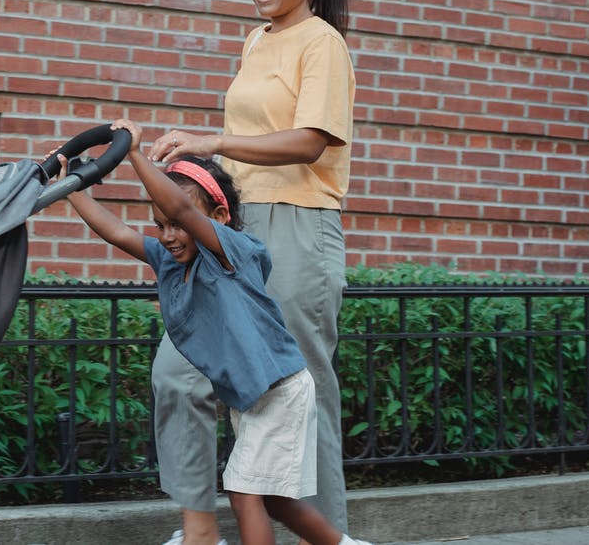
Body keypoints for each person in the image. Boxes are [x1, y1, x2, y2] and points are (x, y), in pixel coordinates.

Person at [53, 120, 370, 545]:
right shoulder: (170, 261)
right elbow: (118, 232)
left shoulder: (233, 253)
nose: (168, 236)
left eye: (177, 224)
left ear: (220, 217)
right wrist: (73, 187)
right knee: (275, 501)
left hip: (280, 392)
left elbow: (184, 211)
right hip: (254, 398)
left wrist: (133, 155)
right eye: (160, 225)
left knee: (243, 492)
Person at [144, 0, 356, 544]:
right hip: (232, 227)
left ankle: (323, 539)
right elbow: (243, 149)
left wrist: (214, 138)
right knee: (179, 371)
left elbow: (311, 141)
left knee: (297, 393)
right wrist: (193, 169)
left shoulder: (322, 43)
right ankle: (200, 529)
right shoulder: (256, 41)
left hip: (296, 225)